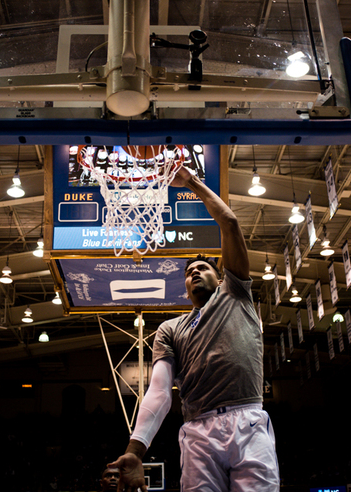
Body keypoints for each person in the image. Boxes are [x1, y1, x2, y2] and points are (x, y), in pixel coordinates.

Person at [107, 165, 279, 491]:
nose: (195, 273)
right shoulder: (170, 329)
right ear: (185, 289)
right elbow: (159, 392)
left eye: (203, 268)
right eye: (189, 273)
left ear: (221, 275)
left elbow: (229, 223)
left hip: (248, 419)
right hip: (198, 429)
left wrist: (192, 182)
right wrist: (135, 449)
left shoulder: (236, 293)